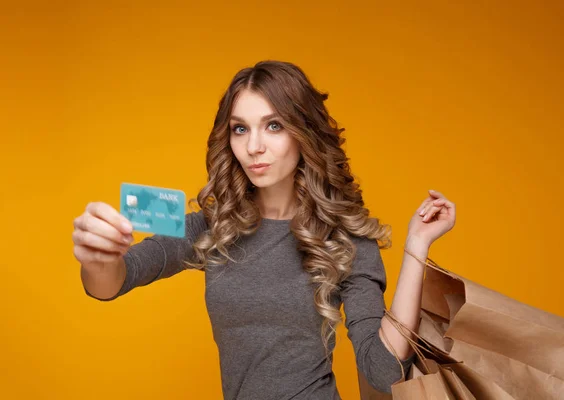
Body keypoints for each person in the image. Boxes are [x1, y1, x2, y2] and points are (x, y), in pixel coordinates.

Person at [72, 60, 456, 399]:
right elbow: (114, 281)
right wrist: (99, 257)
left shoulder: (344, 240)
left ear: (302, 133)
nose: (254, 146)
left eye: (273, 126)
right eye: (240, 129)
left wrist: (416, 247)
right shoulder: (213, 227)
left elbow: (383, 371)